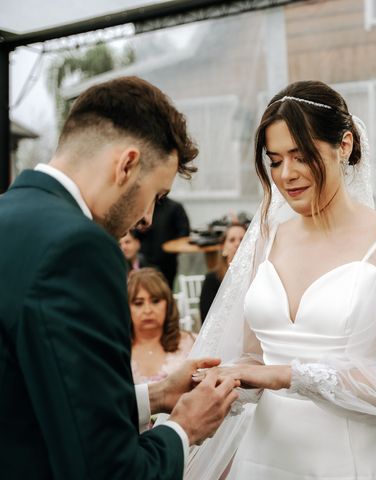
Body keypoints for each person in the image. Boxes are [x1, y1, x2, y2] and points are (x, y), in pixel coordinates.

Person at [185, 80, 376, 479]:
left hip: (359, 457)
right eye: (274, 160)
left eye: (301, 156)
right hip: (268, 456)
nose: (286, 175)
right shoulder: (267, 240)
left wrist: (287, 375)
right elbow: (254, 359)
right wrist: (223, 380)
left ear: (345, 146)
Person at [0, 76, 239, 479]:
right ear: (126, 165)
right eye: (157, 195)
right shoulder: (80, 250)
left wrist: (158, 395)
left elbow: (29, 395)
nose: (147, 219)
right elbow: (108, 470)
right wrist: (185, 429)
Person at [130, 268, 195, 384]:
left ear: (168, 304)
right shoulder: (117, 349)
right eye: (138, 303)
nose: (148, 310)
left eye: (155, 301)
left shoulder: (192, 344)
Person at [199, 222, 248, 321]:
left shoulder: (257, 276)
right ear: (223, 247)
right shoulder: (212, 279)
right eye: (232, 240)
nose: (237, 244)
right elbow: (206, 319)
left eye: (242, 239)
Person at [138, 196, 190, 288]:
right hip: (145, 260)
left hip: (168, 261)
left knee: (166, 290)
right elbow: (133, 234)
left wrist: (172, 248)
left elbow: (184, 232)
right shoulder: (143, 207)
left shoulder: (175, 207)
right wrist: (139, 229)